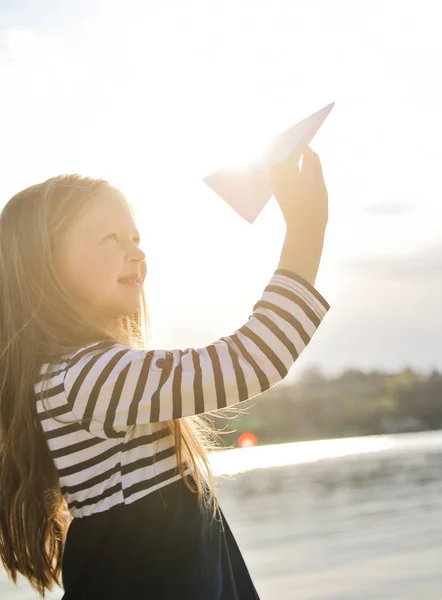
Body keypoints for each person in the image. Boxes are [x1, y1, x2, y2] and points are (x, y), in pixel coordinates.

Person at [0, 145, 329, 599]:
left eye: (134, 237)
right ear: (45, 266)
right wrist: (308, 231)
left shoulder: (86, 375)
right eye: (109, 238)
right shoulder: (85, 378)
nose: (135, 252)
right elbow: (252, 359)